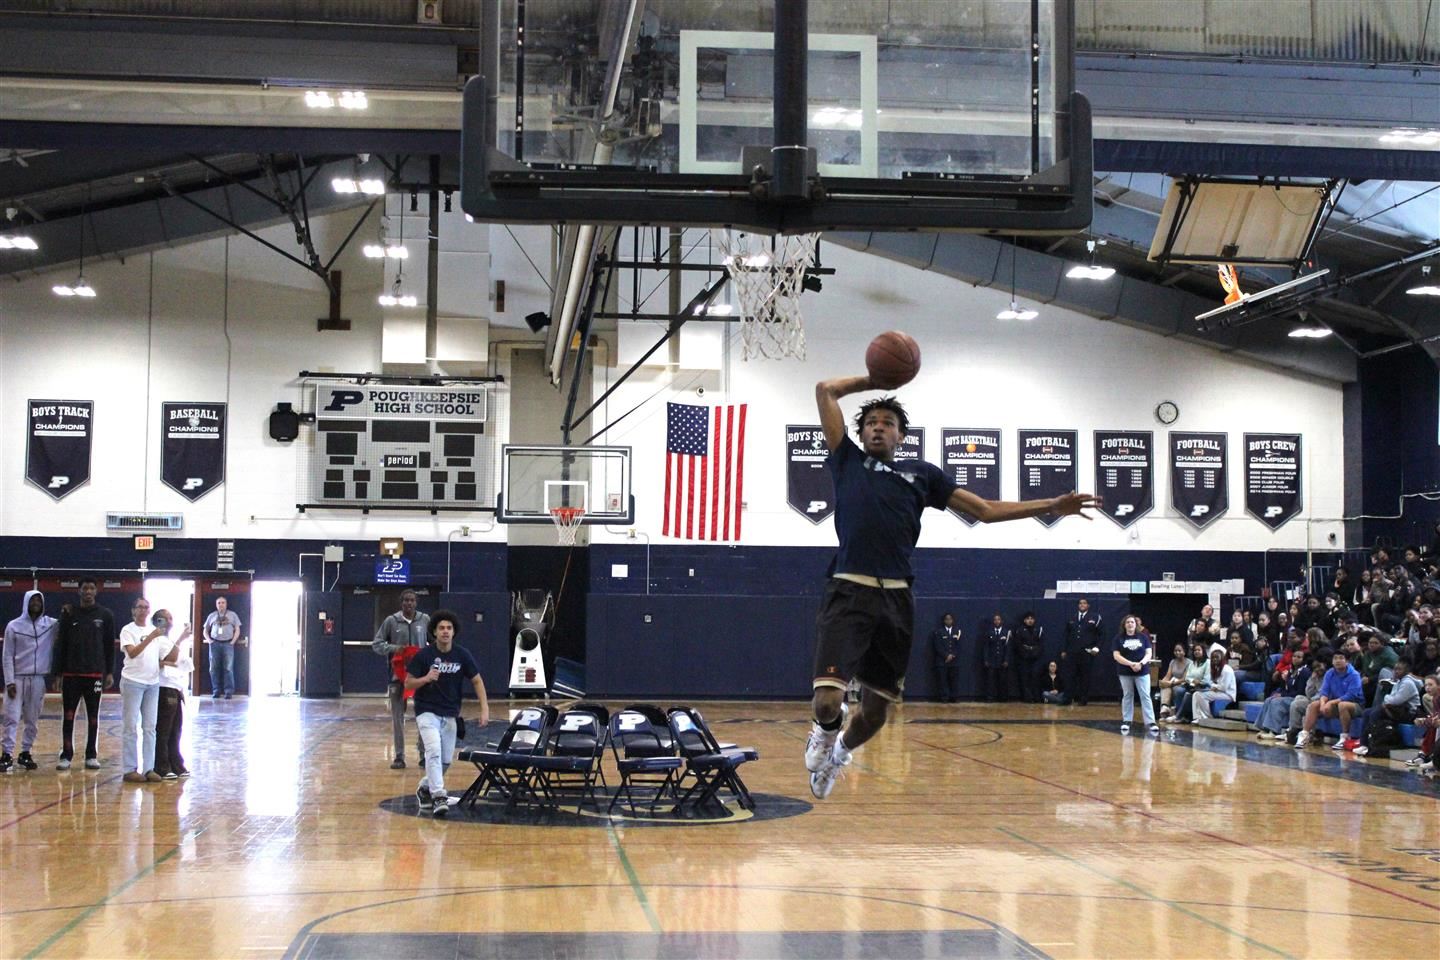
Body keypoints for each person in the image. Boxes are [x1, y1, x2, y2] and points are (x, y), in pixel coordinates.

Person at [803, 375, 1099, 800]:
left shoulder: (922, 474)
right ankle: (825, 734)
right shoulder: (846, 460)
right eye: (870, 421)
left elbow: (985, 510)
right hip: (849, 590)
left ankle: (840, 754)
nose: (878, 427)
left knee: (875, 713)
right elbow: (825, 391)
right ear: (861, 431)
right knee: (828, 702)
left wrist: (1051, 506)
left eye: (887, 422)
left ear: (901, 436)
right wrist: (874, 379)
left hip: (897, 599)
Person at [406, 610, 488, 817]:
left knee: (445, 761)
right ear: (434, 631)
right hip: (426, 712)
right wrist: (425, 678)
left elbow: (477, 680)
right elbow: (408, 682)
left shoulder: (462, 655)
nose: (445, 631)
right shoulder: (423, 656)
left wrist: (484, 708)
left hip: (450, 714)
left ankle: (425, 788)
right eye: (441, 628)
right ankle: (439, 796)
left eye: (449, 628)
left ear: (454, 632)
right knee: (432, 751)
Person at [50, 576, 116, 770]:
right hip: (71, 674)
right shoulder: (69, 614)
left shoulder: (106, 615)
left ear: (96, 591)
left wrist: (109, 672)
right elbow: (60, 645)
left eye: (91, 589)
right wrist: (57, 674)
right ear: (79, 591)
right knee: (68, 715)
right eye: (84, 588)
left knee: (93, 716)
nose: (88, 592)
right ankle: (66, 755)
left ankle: (91, 755)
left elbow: (109, 646)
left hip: (94, 674)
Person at [373, 590, 431, 767]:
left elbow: (434, 643)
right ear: (401, 602)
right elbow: (377, 644)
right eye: (406, 600)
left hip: (420, 677)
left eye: (412, 600)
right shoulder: (391, 621)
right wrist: (394, 648)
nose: (409, 603)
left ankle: (423, 754)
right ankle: (399, 756)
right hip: (397, 676)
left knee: (423, 715)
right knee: (398, 717)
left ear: (416, 602)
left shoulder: (425, 620)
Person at [2, 590, 57, 773]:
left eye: (38, 600)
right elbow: (7, 656)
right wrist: (9, 681)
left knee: (32, 719)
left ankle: (25, 752)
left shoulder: (50, 625)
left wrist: (67, 611)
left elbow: (67, 624)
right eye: (32, 600)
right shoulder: (13, 626)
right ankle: (7, 754)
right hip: (17, 679)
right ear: (26, 602)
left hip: (38, 679)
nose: (35, 603)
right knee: (11, 717)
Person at [118, 598, 169, 783]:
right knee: (130, 726)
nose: (143, 610)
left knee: (150, 727)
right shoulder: (128, 630)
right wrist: (150, 638)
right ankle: (130, 769)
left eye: (146, 607)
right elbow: (132, 653)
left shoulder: (154, 631)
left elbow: (162, 655)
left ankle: (149, 768)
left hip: (152, 683)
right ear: (133, 610)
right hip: (133, 682)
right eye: (139, 607)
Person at [1353, 657, 1423, 757]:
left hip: (1408, 713)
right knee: (1367, 712)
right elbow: (1392, 699)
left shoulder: (1408, 683)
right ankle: (1363, 743)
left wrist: (1386, 698)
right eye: (1395, 669)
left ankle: (1373, 742)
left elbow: (1396, 700)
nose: (1396, 671)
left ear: (1406, 671)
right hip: (1397, 710)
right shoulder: (1399, 682)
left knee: (1375, 713)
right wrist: (1388, 699)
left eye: (1399, 669)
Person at [1295, 649, 1364, 749]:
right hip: (1335, 704)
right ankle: (1305, 734)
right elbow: (1325, 692)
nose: (1338, 661)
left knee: (1343, 705)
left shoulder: (1354, 675)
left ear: (1347, 661)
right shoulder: (1330, 673)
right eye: (1335, 658)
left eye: (1341, 658)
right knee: (1314, 704)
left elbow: (1351, 695)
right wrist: (1323, 704)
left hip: (1355, 705)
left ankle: (1345, 737)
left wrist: (1330, 702)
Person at [154, 610, 194, 780]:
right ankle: (162, 766)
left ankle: (176, 764)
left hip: (176, 687)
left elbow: (178, 662)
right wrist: (181, 640)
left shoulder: (168, 641)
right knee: (164, 729)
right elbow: (167, 659)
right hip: (164, 687)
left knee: (176, 729)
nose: (169, 621)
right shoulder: (156, 640)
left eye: (171, 617)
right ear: (157, 621)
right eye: (165, 618)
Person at [1112, 615, 1158, 735]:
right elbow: (1116, 656)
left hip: (1142, 671)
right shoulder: (1118, 638)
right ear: (1124, 625)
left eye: (1132, 622)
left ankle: (1151, 722)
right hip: (1125, 671)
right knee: (1127, 695)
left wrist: (1141, 664)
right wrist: (1130, 664)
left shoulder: (1143, 637)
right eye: (1128, 622)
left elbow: (1149, 653)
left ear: (1136, 624)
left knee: (1145, 695)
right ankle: (1127, 720)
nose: (1130, 624)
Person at [1255, 651, 1310, 740]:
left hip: (1298, 698)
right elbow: (1286, 688)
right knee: (1269, 699)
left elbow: (1300, 692)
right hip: (1288, 696)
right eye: (1294, 656)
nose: (1295, 658)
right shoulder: (1290, 670)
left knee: (1276, 702)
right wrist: (1281, 691)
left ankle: (1273, 731)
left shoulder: (1305, 672)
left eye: (1299, 657)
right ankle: (1263, 728)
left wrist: (1282, 695)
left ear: (1304, 659)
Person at [1061, 598, 1103, 706]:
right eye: (1080, 603)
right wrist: (1064, 650)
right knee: (1070, 676)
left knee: (1085, 676)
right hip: (1072, 652)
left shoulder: (1095, 617)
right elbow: (1066, 635)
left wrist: (1097, 647)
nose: (1082, 605)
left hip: (1087, 652)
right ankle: (1067, 698)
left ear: (1088, 605)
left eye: (1084, 603)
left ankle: (1083, 699)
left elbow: (1102, 634)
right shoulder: (1072, 617)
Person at [202, 596, 243, 699]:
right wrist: (210, 641)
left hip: (228, 644)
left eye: (223, 602)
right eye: (219, 603)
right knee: (213, 668)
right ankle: (216, 691)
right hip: (214, 644)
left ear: (226, 604)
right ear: (216, 605)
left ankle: (228, 692)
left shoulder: (233, 615)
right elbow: (205, 630)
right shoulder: (212, 616)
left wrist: (233, 642)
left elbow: (237, 629)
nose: (221, 604)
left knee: (228, 668)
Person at [1191, 643, 1237, 723]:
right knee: (1196, 694)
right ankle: (1197, 717)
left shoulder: (1226, 669)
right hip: (1218, 691)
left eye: (1217, 657)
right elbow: (1211, 682)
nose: (1215, 659)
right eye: (1213, 658)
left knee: (1202, 696)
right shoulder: (1216, 668)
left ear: (1222, 658)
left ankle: (1207, 717)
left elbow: (1224, 687)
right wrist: (1213, 686)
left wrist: (1214, 687)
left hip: (1228, 694)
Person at [1357, 633, 1398, 707]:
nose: (1372, 645)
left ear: (1382, 644)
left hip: (1381, 682)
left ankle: (1375, 707)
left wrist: (1370, 679)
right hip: (1367, 680)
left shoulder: (1389, 655)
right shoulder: (1367, 654)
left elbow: (1393, 673)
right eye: (1370, 643)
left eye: (1375, 643)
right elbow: (1365, 669)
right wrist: (1363, 676)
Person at [1011, 612, 1043, 703]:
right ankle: (1027, 698)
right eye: (1028, 619)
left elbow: (1041, 644)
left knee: (1035, 677)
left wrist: (1035, 653)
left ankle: (1036, 697)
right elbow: (1018, 644)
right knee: (1024, 679)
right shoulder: (1020, 630)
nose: (1030, 620)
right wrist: (1025, 654)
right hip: (1024, 658)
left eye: (1032, 619)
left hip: (1035, 658)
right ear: (1024, 620)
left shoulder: (1038, 630)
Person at [929, 613, 961, 704]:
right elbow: (937, 646)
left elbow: (958, 646)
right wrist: (946, 655)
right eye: (946, 619)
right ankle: (944, 697)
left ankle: (954, 697)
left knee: (953, 680)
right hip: (942, 661)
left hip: (954, 661)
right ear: (944, 621)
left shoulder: (957, 631)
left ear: (953, 620)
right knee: (943, 681)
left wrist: (952, 655)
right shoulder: (939, 632)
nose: (948, 621)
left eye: (950, 619)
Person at [980, 613, 1010, 703]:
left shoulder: (1006, 632)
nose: (997, 621)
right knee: (990, 681)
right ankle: (990, 697)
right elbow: (986, 647)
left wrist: (1006, 660)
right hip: (992, 661)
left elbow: (1008, 648)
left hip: (1002, 660)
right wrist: (986, 659)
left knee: (1002, 680)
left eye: (999, 619)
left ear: (1002, 621)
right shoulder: (989, 632)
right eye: (995, 620)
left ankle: (1002, 698)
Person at [1156, 642, 1189, 721]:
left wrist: (1171, 683)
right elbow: (1168, 675)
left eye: (1179, 650)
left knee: (1172, 688)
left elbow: (1185, 678)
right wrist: (1163, 682)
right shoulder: (1173, 662)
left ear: (1184, 652)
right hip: (1172, 683)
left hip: (1182, 684)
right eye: (1175, 651)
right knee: (1164, 687)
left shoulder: (1189, 663)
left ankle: (1172, 712)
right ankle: (1165, 708)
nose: (1177, 652)